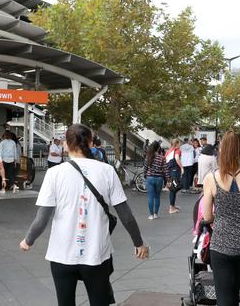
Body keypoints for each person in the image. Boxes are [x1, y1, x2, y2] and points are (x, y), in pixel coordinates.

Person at [20, 123, 148, 306]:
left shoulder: (54, 173)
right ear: (90, 142)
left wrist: (28, 240)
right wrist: (139, 243)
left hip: (62, 254)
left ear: (65, 144)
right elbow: (125, 215)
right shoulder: (107, 171)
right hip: (96, 253)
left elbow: (43, 218)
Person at [202, 131, 240, 306]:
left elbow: (207, 216)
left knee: (224, 295)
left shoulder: (211, 179)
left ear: (221, 150)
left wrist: (223, 216)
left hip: (220, 244)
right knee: (234, 289)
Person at [144, 141, 167, 219]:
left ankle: (151, 215)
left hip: (149, 178)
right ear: (158, 148)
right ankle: (156, 214)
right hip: (159, 178)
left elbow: (145, 168)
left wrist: (145, 176)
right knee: (157, 197)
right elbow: (165, 169)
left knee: (150, 197)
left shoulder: (148, 157)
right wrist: (168, 179)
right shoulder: (162, 157)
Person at [165, 139, 183, 214]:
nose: (180, 145)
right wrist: (182, 167)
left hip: (170, 171)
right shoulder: (177, 150)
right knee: (174, 189)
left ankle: (173, 206)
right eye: (179, 143)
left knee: (174, 188)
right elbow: (177, 158)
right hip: (175, 171)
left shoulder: (169, 151)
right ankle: (171, 208)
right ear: (177, 144)